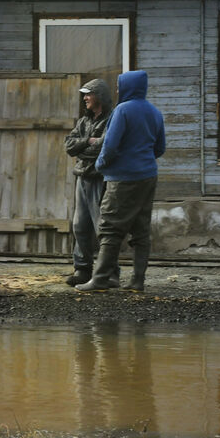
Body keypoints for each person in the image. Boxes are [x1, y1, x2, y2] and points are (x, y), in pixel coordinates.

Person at [76, 69, 165, 293]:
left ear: (127, 87)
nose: (116, 91)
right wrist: (142, 161)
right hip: (148, 177)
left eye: (119, 87)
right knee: (141, 230)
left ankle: (101, 280)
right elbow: (160, 148)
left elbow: (111, 145)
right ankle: (137, 281)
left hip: (122, 179)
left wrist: (101, 165)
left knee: (109, 228)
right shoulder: (155, 112)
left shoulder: (122, 110)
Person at [62, 78, 116, 287]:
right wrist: (87, 141)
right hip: (82, 177)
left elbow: (103, 148)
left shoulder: (111, 119)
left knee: (101, 226)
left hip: (99, 178)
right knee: (79, 226)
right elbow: (68, 145)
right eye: (84, 94)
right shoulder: (85, 121)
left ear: (99, 96)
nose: (85, 98)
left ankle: (109, 273)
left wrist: (83, 148)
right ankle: (82, 269)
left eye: (88, 94)